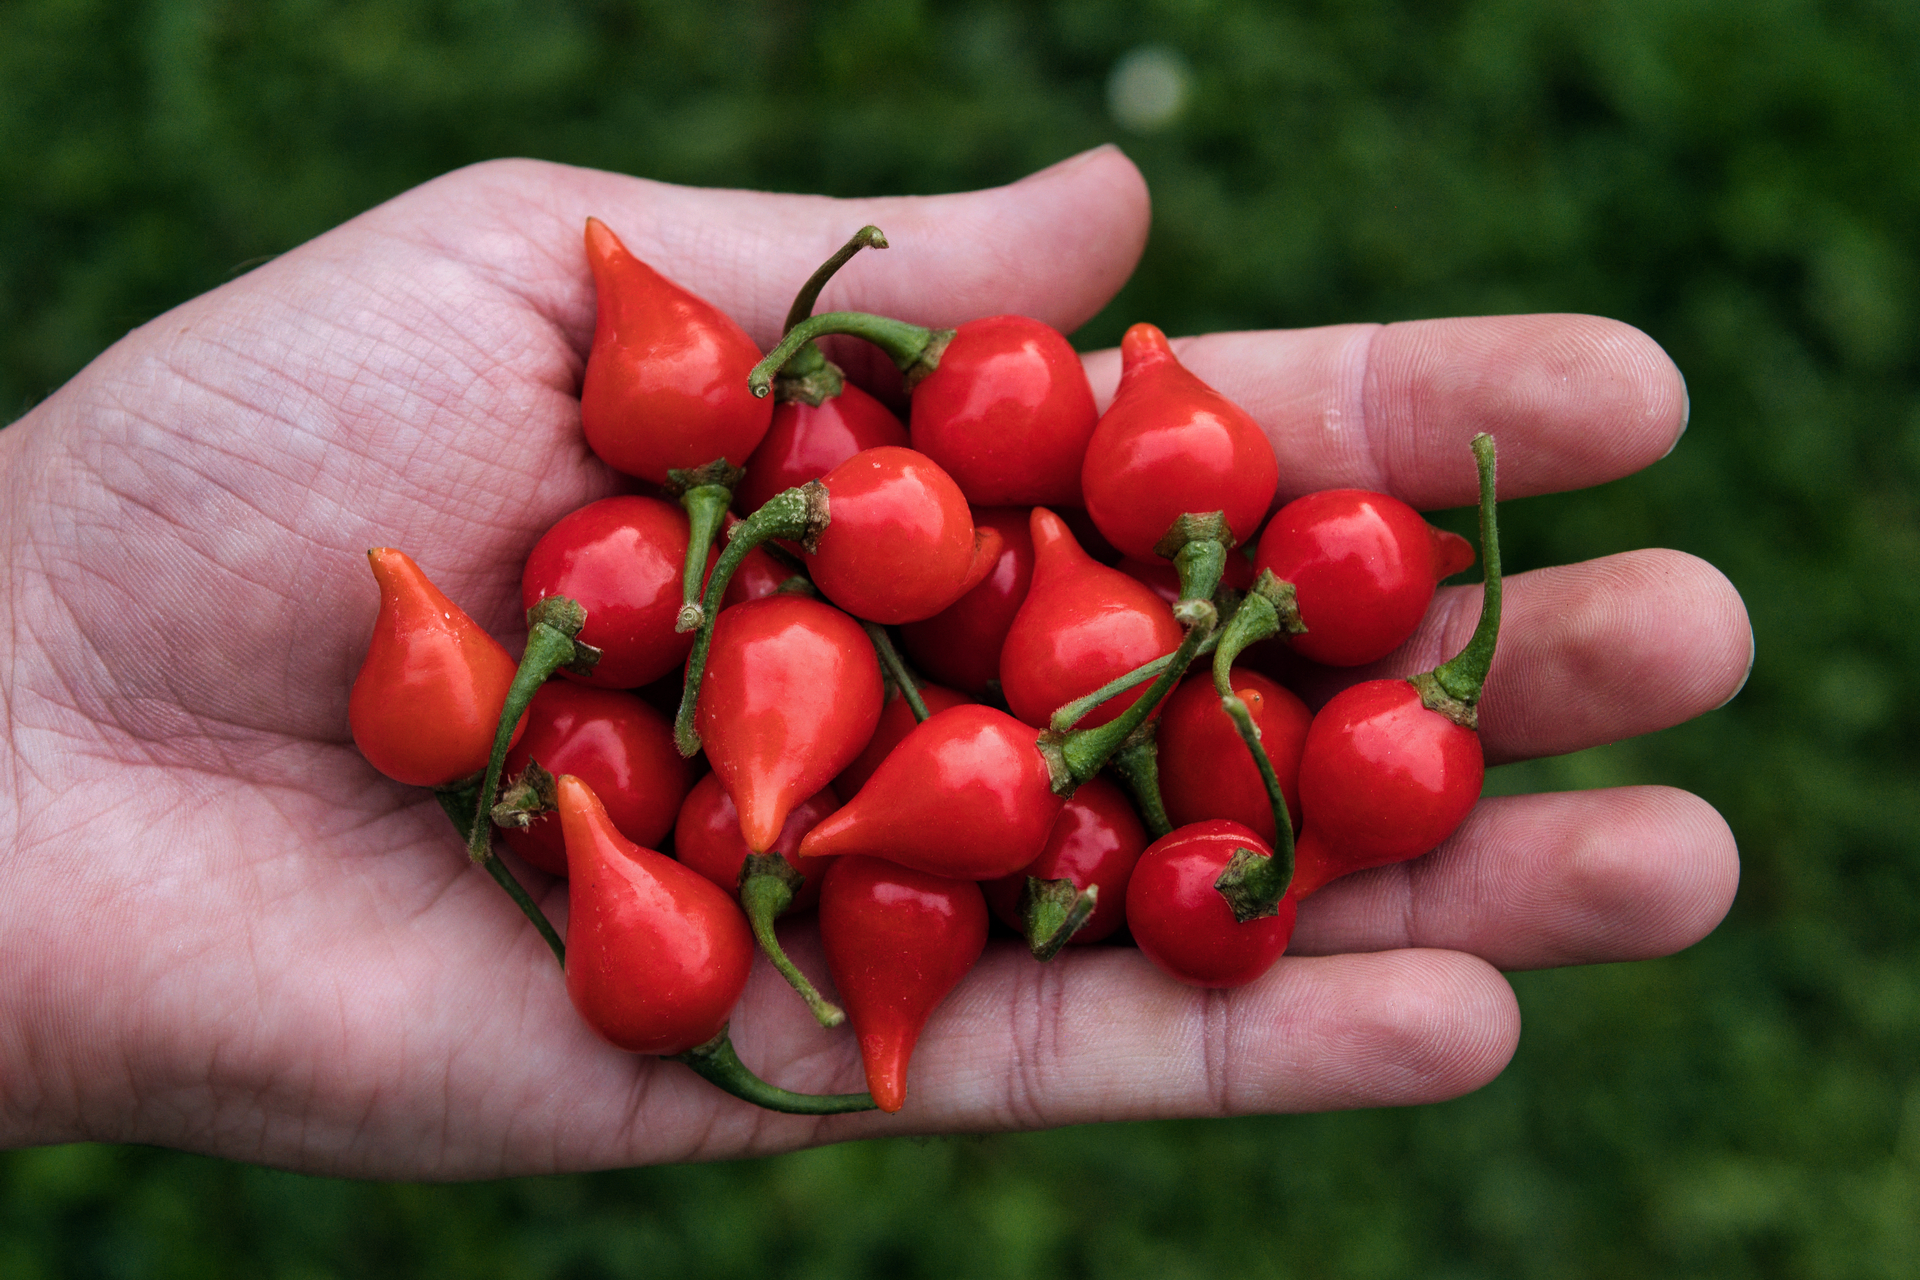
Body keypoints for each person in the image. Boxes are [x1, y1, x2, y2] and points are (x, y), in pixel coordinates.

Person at [0, 147, 1749, 1177]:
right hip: (919, 718)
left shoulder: (849, 624)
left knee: (799, 793)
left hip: (941, 713)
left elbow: (925, 650)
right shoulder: (737, 637)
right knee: (778, 798)